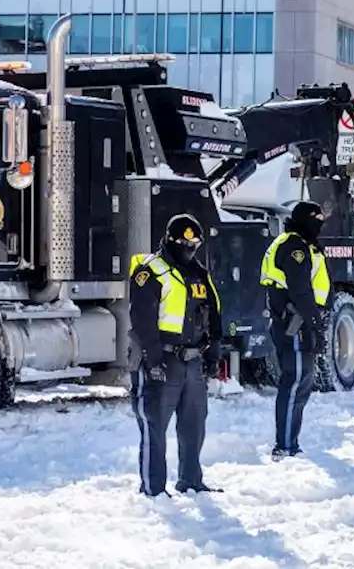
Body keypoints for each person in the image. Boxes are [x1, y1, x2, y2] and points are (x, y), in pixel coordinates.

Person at [128, 213, 224, 497]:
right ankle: (153, 490)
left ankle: (191, 481)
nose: (191, 246)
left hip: (193, 361)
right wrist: (153, 359)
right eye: (186, 241)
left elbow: (214, 313)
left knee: (194, 425)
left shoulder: (198, 273)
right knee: (154, 426)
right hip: (162, 360)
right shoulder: (151, 271)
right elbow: (142, 318)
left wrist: (213, 352)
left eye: (196, 241)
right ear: (172, 240)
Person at [260, 200, 330, 459]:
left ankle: (291, 442)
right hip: (295, 324)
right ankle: (286, 445)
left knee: (301, 382)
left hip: (298, 322)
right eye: (316, 218)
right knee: (295, 382)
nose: (320, 223)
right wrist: (315, 325)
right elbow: (301, 290)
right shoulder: (294, 248)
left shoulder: (300, 244)